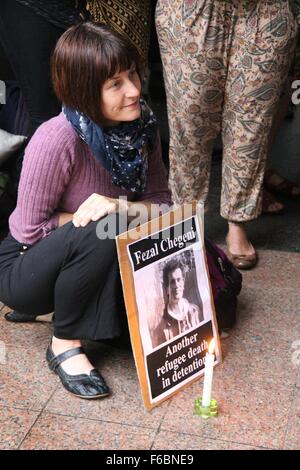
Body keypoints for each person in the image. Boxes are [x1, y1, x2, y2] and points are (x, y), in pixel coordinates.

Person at [0, 22, 172, 399]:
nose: (134, 91)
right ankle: (63, 343)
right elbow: (29, 229)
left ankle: (73, 308)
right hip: (24, 267)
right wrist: (98, 215)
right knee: (104, 226)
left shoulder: (142, 127)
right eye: (115, 84)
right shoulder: (56, 138)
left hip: (98, 256)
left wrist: (118, 207)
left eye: (133, 75)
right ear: (84, 90)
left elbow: (163, 205)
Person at [156, 0, 299, 269]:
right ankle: (186, 217)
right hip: (193, 8)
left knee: (251, 121)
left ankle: (238, 222)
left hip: (267, 10)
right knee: (190, 117)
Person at [151, 260, 203, 348]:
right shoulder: (162, 328)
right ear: (167, 288)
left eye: (179, 280)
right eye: (172, 282)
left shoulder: (195, 311)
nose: (176, 285)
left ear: (183, 282)